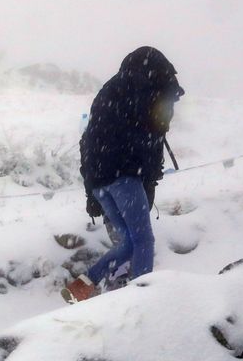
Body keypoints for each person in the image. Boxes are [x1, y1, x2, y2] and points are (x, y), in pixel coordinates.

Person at [64, 46, 185, 303]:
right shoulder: (148, 95)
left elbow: (88, 143)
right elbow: (149, 141)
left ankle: (82, 285)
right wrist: (149, 178)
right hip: (125, 178)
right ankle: (141, 299)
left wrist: (91, 190)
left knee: (127, 243)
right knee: (144, 241)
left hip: (100, 181)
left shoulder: (110, 92)